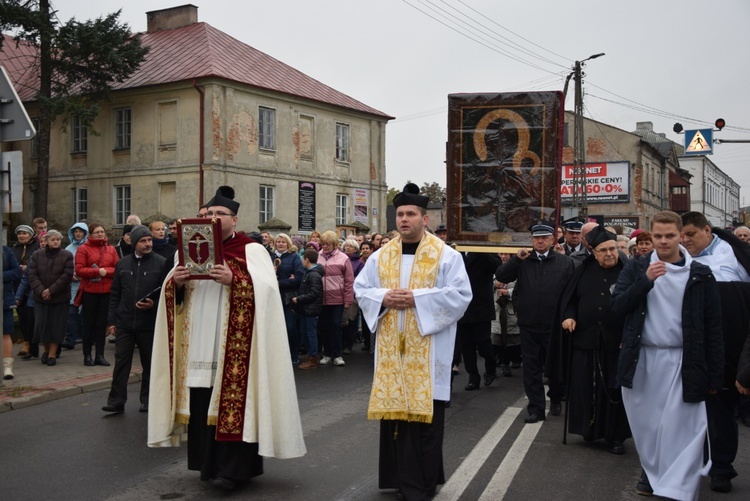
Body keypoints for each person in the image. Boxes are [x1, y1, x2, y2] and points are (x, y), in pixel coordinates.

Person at [148, 186, 305, 491]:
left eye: (221, 214)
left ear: (235, 219)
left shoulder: (251, 250)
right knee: (202, 403)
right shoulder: (185, 249)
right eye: (208, 214)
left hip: (236, 345)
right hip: (197, 342)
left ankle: (234, 471)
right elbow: (170, 294)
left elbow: (269, 293)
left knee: (233, 405)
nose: (214, 218)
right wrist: (176, 284)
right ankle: (209, 466)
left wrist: (237, 280)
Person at [354, 183, 472, 501]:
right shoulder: (381, 257)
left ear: (425, 218)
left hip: (429, 353)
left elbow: (462, 295)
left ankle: (422, 485)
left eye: (411, 214)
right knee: (397, 420)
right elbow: (361, 289)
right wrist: (383, 296)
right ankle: (400, 479)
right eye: (401, 214)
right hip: (393, 353)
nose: (404, 219)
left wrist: (417, 299)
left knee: (426, 423)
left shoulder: (445, 256)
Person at [612, 210, 723, 499]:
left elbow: (713, 327)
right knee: (647, 427)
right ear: (651, 235)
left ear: (681, 236)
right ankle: (651, 472)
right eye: (658, 236)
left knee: (683, 427)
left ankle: (679, 487)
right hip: (643, 359)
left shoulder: (699, 274)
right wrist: (645, 281)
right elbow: (617, 307)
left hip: (684, 361)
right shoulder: (637, 268)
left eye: (670, 236)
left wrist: (715, 373)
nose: (663, 241)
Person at [680, 211, 750, 493]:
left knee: (721, 406)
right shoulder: (678, 257)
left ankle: (721, 466)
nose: (686, 241)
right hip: (692, 341)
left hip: (731, 342)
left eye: (691, 234)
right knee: (693, 407)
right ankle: (692, 464)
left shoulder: (735, 254)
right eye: (681, 236)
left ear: (707, 230)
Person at [550, 225, 631, 454]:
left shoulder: (628, 271)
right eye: (603, 250)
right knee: (585, 387)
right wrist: (568, 316)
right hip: (586, 341)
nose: (609, 254)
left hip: (617, 343)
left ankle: (615, 436)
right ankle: (589, 428)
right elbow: (571, 300)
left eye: (613, 249)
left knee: (614, 391)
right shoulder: (582, 271)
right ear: (593, 252)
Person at [496, 223, 574, 423]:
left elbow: (571, 294)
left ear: (552, 240)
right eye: (536, 238)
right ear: (531, 240)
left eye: (545, 238)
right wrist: (515, 260)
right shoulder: (523, 261)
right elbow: (502, 277)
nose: (540, 241)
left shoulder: (564, 262)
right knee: (531, 369)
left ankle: (556, 397)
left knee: (555, 368)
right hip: (529, 324)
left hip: (554, 325)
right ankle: (536, 408)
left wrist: (568, 315)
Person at [102, 226, 166, 414]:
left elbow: (165, 293)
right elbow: (115, 294)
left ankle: (147, 400)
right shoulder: (122, 264)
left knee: (149, 363)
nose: (148, 244)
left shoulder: (160, 263)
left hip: (148, 323)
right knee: (122, 362)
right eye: (143, 241)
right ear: (134, 243)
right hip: (125, 322)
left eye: (149, 240)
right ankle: (116, 401)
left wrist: (152, 305)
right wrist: (111, 321)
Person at [28, 231, 74, 367]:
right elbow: (32, 275)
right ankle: (46, 350)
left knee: (56, 326)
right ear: (46, 240)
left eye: (58, 240)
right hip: (41, 298)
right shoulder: (37, 255)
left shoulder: (66, 255)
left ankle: (52, 354)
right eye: (53, 240)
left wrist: (51, 290)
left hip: (59, 298)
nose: (56, 242)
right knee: (42, 326)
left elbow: (67, 275)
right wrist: (42, 290)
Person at [75, 222, 119, 367]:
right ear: (90, 235)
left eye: (102, 232)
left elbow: (117, 269)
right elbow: (79, 270)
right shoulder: (83, 249)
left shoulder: (111, 249)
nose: (100, 234)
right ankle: (87, 355)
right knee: (88, 324)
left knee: (102, 325)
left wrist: (106, 271)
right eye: (97, 232)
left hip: (106, 291)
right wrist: (96, 271)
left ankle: (99, 354)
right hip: (90, 292)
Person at [458, 251, 501, 390]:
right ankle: (473, 377)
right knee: (466, 345)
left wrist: (482, 251)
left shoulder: (484, 250)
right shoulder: (456, 251)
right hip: (461, 305)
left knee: (483, 342)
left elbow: (497, 267)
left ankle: (490, 367)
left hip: (481, 304)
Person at [317, 230, 354, 366]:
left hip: (338, 298)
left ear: (334, 244)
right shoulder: (317, 257)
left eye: (328, 244)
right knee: (324, 326)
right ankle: (326, 354)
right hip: (322, 298)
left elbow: (349, 280)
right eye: (323, 244)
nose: (325, 246)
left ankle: (337, 355)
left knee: (335, 325)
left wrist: (348, 299)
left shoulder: (343, 258)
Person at [274, 233, 304, 365]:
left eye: (283, 242)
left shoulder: (294, 257)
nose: (280, 244)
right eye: (278, 242)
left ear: (288, 244)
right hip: (272, 297)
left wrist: (280, 283)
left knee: (290, 327)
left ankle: (293, 354)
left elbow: (298, 277)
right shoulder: (271, 257)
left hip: (287, 297)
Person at [11, 225, 39, 358]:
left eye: (25, 234)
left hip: (32, 287)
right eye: (20, 234)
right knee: (22, 316)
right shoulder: (14, 249)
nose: (22, 236)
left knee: (31, 317)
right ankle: (26, 342)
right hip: (18, 285)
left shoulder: (37, 247)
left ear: (30, 235)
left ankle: (32, 344)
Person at [294, 249, 324, 370]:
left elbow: (314, 293)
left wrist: (299, 299)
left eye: (303, 259)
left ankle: (312, 358)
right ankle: (310, 356)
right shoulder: (310, 272)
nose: (302, 261)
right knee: (306, 332)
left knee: (311, 333)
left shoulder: (314, 274)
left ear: (307, 260)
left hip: (311, 309)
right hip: (307, 309)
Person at [62, 222, 88, 350]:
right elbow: (64, 266)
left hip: (86, 284)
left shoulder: (89, 247)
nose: (78, 234)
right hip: (72, 286)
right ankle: (70, 339)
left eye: (80, 231)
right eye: (76, 231)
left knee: (85, 313)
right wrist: (71, 274)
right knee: (72, 312)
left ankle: (86, 337)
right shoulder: (68, 249)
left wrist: (84, 274)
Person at [3, 245, 22, 378]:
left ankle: (7, 368)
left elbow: (16, 272)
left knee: (6, 333)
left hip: (4, 299)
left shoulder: (5, 251)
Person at [342, 238, 364, 353]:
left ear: (356, 249)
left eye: (350, 246)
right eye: (346, 246)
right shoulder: (341, 259)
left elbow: (359, 278)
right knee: (340, 321)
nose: (348, 248)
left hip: (352, 293)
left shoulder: (359, 263)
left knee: (350, 320)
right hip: (339, 293)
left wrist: (346, 280)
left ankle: (348, 345)